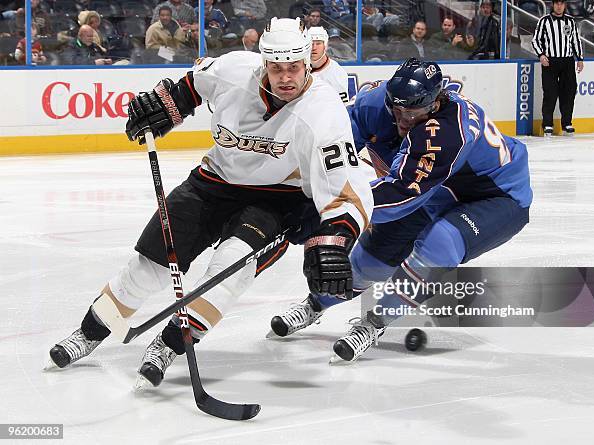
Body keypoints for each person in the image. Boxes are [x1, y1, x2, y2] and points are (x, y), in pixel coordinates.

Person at [46, 17, 374, 387]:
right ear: (264, 62)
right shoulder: (234, 70)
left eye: (294, 68)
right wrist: (164, 109)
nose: (286, 77)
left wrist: (334, 241)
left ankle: (169, 344)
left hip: (275, 200)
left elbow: (348, 191)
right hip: (212, 183)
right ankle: (90, 332)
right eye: (277, 68)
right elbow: (190, 87)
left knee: (227, 270)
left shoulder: (324, 112)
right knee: (150, 264)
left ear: (306, 62)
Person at [270, 59, 532, 362]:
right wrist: (305, 192)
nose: (403, 118)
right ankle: (315, 304)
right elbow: (336, 144)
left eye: (413, 112)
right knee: (371, 260)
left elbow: (400, 195)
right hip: (435, 188)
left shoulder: (446, 132)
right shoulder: (375, 105)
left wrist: (330, 211)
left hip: (495, 196)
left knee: (441, 243)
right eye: (397, 109)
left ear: (435, 103)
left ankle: (375, 322)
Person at [532, 0, 584, 136]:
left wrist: (579, 58)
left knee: (569, 92)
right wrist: (541, 55)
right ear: (553, 5)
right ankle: (547, 124)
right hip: (550, 61)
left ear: (565, 5)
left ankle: (567, 123)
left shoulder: (571, 21)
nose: (559, 6)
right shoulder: (544, 21)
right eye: (557, 3)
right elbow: (535, 40)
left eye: (561, 3)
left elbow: (576, 40)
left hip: (567, 61)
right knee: (550, 93)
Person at [308, 26, 349, 103]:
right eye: (311, 43)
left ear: (325, 46)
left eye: (318, 43)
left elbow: (341, 107)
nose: (314, 48)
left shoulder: (337, 73)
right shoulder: (298, 67)